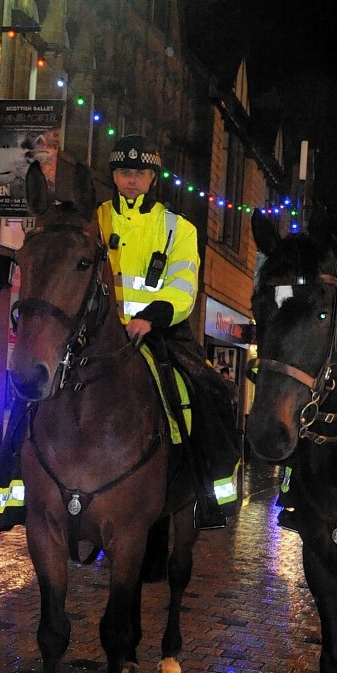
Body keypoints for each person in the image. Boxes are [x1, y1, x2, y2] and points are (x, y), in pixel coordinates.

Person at [97, 135, 240, 528]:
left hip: (158, 331)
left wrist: (151, 317)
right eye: (125, 172)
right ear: (114, 175)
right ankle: (12, 490)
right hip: (96, 332)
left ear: (153, 178)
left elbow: (183, 287)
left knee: (209, 394)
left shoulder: (179, 228)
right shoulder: (96, 219)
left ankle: (212, 492)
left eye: (140, 173)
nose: (132, 180)